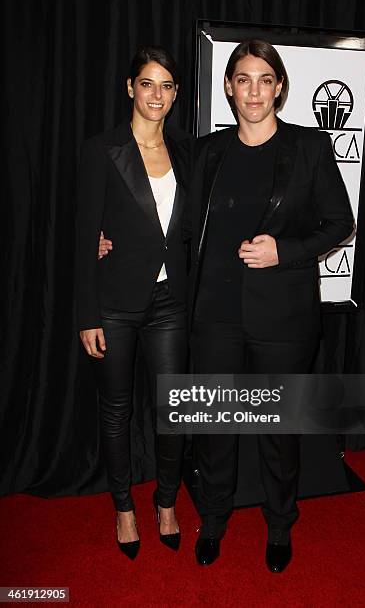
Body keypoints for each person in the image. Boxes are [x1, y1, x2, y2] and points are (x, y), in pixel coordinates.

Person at [187, 39, 354, 572]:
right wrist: (115, 239)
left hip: (282, 320)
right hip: (214, 313)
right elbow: (178, 222)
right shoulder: (208, 151)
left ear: (279, 86)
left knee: (278, 432)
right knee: (215, 427)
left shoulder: (308, 147)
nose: (253, 90)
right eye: (243, 78)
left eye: (264, 78)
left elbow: (340, 224)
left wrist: (285, 252)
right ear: (229, 87)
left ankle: (280, 524)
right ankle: (213, 517)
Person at [76, 46, 192, 560]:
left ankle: (166, 503)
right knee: (116, 411)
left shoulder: (188, 153)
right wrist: (87, 315)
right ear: (130, 87)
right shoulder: (101, 150)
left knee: (171, 410)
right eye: (148, 83)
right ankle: (124, 507)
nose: (158, 95)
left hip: (171, 302)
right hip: (116, 304)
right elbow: (82, 239)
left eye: (167, 86)